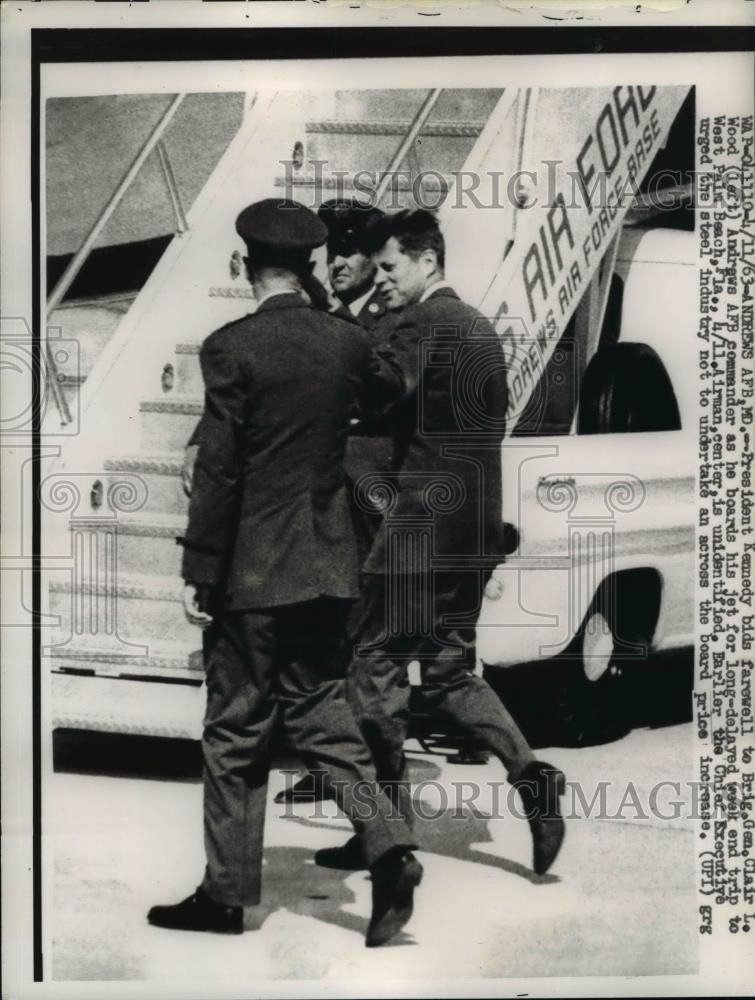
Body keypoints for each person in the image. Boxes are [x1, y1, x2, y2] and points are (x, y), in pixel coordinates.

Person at [147, 198, 422, 947]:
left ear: (243, 266)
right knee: (323, 717)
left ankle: (226, 896)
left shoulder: (231, 348)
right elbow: (394, 388)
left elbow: (220, 474)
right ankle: (388, 844)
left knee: (234, 730)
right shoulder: (343, 339)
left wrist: (202, 571)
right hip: (329, 565)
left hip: (254, 573)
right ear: (309, 267)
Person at [315, 209, 567, 877]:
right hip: (474, 533)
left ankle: (385, 836)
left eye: (392, 267)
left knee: (373, 670)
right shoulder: (479, 328)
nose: (385, 281)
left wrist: (333, 340)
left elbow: (382, 387)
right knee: (451, 672)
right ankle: (531, 775)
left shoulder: (426, 322)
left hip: (420, 534)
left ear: (426, 262)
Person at [275, 198, 396, 806]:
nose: (338, 262)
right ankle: (334, 764)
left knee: (359, 633)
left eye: (351, 252)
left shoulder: (387, 316)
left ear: (377, 259)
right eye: (332, 252)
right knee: (333, 628)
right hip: (331, 496)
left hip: (367, 498)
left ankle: (362, 771)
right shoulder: (333, 313)